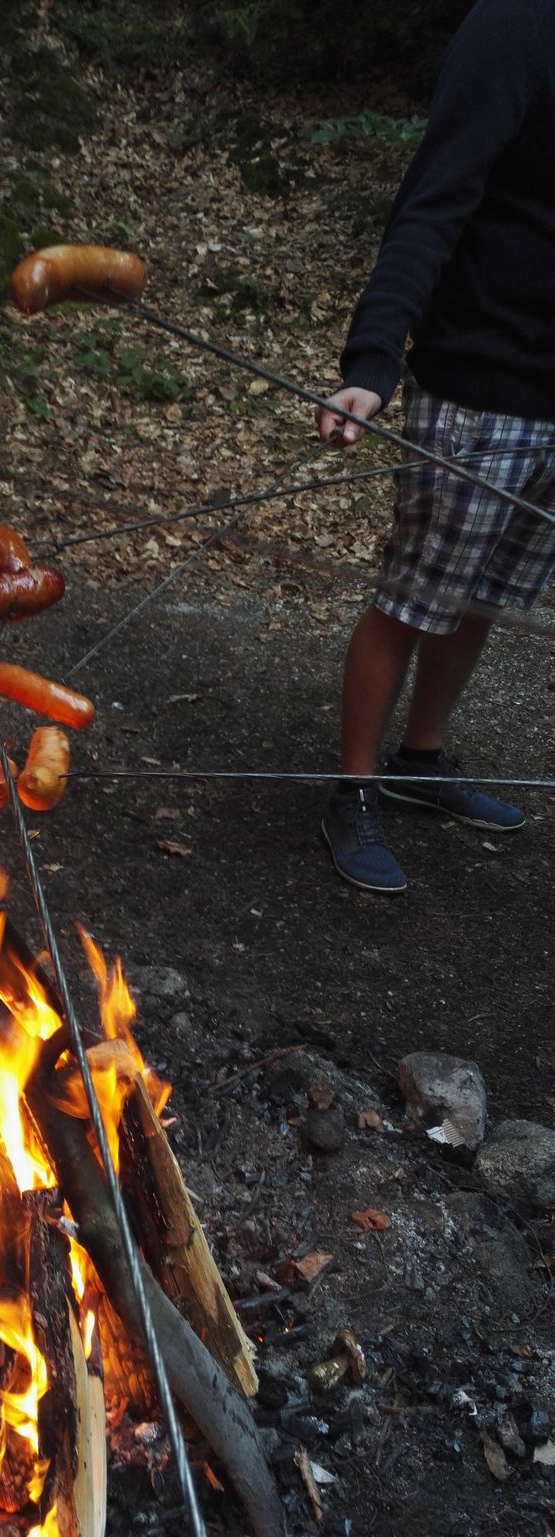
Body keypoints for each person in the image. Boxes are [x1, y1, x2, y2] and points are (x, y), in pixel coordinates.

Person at [315, 0, 555, 893]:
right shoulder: (514, 28)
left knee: (483, 594)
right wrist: (373, 360)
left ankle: (421, 760)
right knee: (415, 598)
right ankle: (354, 788)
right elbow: (433, 199)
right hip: (476, 386)